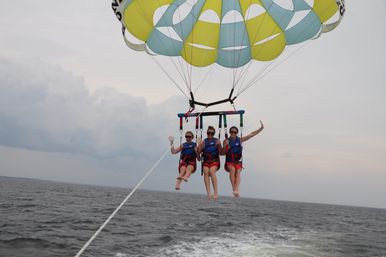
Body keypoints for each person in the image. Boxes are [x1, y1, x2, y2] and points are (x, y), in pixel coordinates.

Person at [223, 120, 264, 198]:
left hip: (237, 161)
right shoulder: (226, 141)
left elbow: (251, 134)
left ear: (237, 133)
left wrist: (261, 128)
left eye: (235, 132)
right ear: (229, 132)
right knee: (233, 170)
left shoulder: (240, 140)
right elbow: (222, 152)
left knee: (238, 171)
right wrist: (225, 145)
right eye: (231, 132)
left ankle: (237, 189)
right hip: (229, 162)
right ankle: (234, 188)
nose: (233, 134)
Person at [197, 126, 222, 200]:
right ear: (207, 133)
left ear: (214, 133)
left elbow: (221, 152)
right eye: (208, 133)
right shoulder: (204, 141)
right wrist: (199, 145)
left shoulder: (217, 140)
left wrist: (219, 145)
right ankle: (208, 193)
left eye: (212, 133)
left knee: (211, 171)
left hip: (214, 161)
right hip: (206, 161)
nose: (210, 134)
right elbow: (199, 152)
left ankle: (216, 193)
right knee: (206, 172)